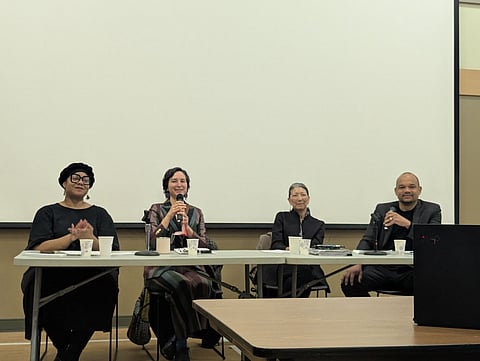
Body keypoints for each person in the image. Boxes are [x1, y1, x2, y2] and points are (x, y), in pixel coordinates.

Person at [21, 162, 120, 361]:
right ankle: (68, 351)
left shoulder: (100, 214)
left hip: (92, 274)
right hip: (52, 273)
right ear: (64, 183)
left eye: (86, 180)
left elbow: (111, 250)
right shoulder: (47, 212)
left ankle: (70, 353)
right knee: (36, 289)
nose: (81, 182)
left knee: (106, 286)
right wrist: (72, 237)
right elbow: (37, 247)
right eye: (75, 178)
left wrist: (89, 237)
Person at [143, 167, 219, 361]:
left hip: (190, 266)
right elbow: (151, 241)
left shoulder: (196, 212)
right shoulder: (156, 209)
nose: (179, 185)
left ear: (187, 186)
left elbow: (206, 244)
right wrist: (168, 217)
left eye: (182, 181)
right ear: (167, 186)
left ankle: (176, 338)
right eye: (174, 181)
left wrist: (189, 230)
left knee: (204, 283)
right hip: (161, 268)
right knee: (181, 284)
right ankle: (182, 342)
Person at [341, 172, 441, 297]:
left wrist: (408, 224)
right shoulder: (383, 209)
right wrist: (358, 262)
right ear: (396, 191)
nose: (407, 190)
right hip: (383, 268)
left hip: (412, 269)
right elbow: (368, 239)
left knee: (433, 283)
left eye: (411, 187)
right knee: (350, 281)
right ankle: (371, 314)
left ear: (419, 190)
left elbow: (434, 241)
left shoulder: (432, 210)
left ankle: (416, 315)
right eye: (402, 187)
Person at [264, 182, 329, 298]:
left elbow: (315, 247)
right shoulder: (282, 217)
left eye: (303, 195)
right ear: (289, 200)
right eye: (295, 195)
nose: (299, 199)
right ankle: (289, 306)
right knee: (293, 279)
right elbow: (276, 243)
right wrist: (289, 249)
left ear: (308, 199)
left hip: (308, 266)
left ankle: (284, 303)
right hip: (285, 265)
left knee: (304, 276)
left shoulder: (318, 224)